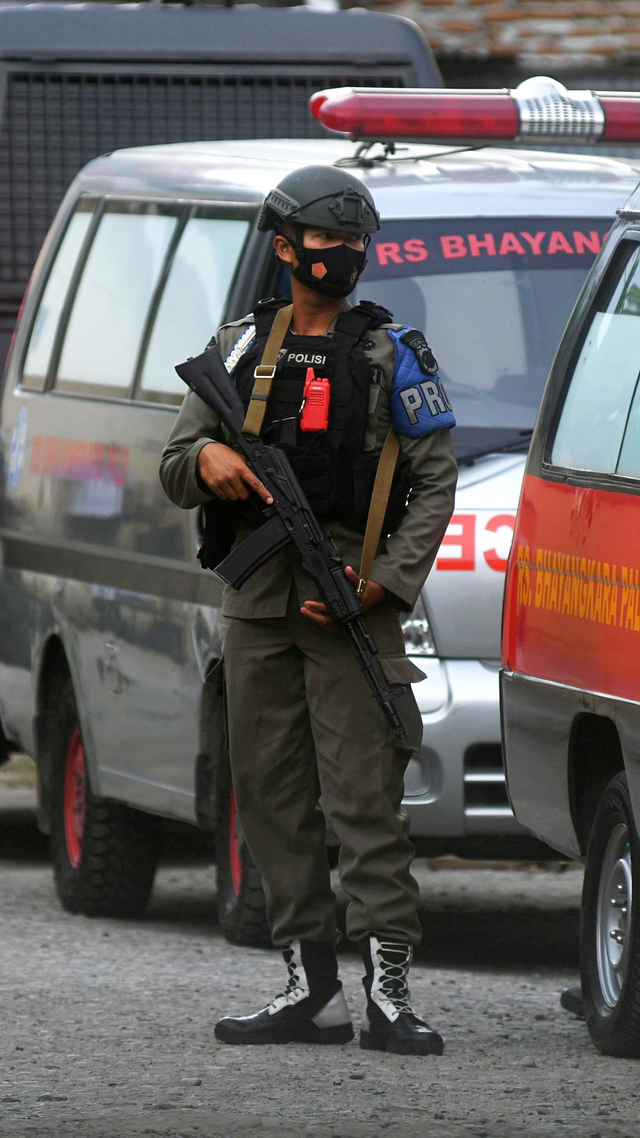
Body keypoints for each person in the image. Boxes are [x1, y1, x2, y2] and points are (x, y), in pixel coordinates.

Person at [160, 165, 458, 1056]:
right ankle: (309, 987)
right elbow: (176, 464)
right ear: (285, 248)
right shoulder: (243, 349)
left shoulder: (393, 351)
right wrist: (210, 462)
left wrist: (384, 583)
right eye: (328, 240)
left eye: (356, 241)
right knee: (272, 793)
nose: (346, 256)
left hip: (350, 603)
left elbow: (434, 487)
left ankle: (390, 993)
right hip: (257, 604)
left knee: (366, 798)